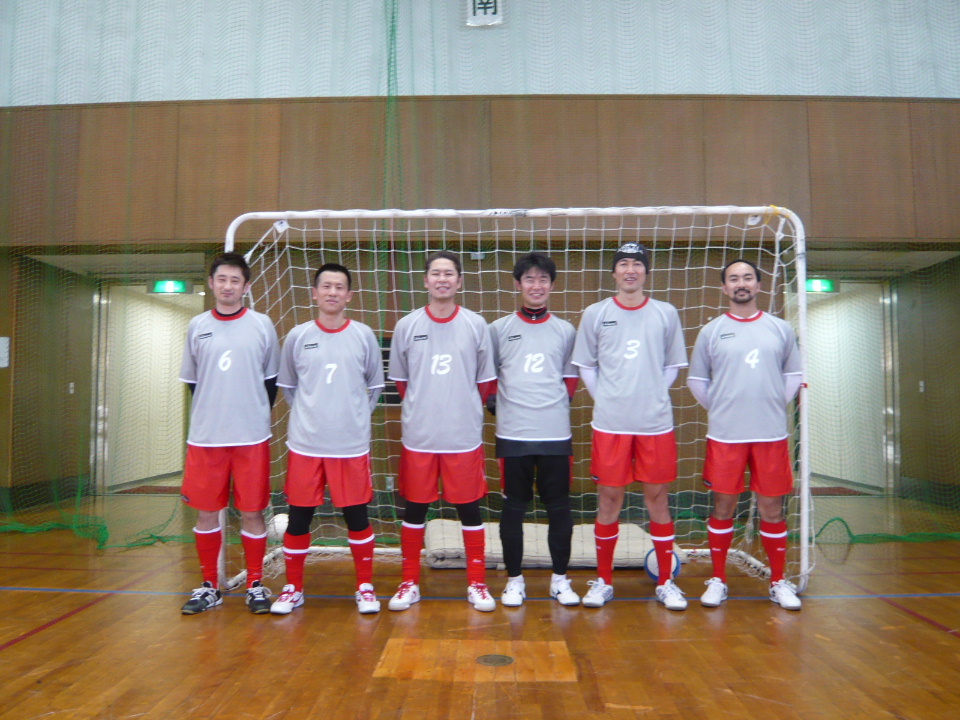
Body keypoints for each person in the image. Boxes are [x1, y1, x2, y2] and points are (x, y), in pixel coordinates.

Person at [571, 242, 689, 610]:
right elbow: (586, 365)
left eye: (637, 264)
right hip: (611, 425)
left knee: (658, 499)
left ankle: (666, 582)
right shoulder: (596, 313)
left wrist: (651, 393)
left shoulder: (666, 313)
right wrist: (608, 397)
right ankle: (603, 581)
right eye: (623, 264)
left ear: (646, 272)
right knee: (609, 500)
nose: (630, 270)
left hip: (655, 425)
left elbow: (673, 366)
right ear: (614, 273)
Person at [269, 263, 386, 615]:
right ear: (315, 293)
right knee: (299, 518)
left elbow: (375, 387)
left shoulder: (363, 335)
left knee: (357, 517)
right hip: (306, 446)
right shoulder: (298, 336)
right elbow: (289, 388)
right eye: (326, 286)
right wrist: (312, 417)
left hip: (350, 446)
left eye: (339, 287)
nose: (332, 292)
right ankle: (293, 588)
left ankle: (365, 586)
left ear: (349, 295)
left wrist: (352, 420)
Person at [687, 259, 803, 610]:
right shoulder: (711, 331)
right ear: (724, 288)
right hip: (726, 436)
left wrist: (770, 404)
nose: (741, 283)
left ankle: (778, 581)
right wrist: (725, 408)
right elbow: (697, 381)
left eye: (748, 278)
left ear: (758, 285)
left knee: (772, 508)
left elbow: (793, 376)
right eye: (734, 278)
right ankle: (718, 580)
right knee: (723, 506)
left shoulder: (780, 328)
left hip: (770, 435)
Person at [387, 250, 498, 612]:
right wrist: (426, 409)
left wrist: (459, 409)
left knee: (470, 510)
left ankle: (477, 583)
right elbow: (402, 383)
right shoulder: (407, 326)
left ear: (459, 281)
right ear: (426, 281)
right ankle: (409, 582)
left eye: (449, 273)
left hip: (462, 436)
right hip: (420, 437)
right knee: (415, 510)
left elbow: (485, 383)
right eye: (436, 273)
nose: (442, 279)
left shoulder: (476, 325)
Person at [178, 252, 280, 615]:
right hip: (206, 439)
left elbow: (271, 383)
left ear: (246, 287)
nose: (227, 286)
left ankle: (255, 584)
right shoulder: (197, 326)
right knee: (207, 513)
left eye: (235, 280)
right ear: (211, 283)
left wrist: (247, 413)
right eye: (221, 279)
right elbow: (193, 383)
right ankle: (210, 585)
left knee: (252, 512)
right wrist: (216, 411)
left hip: (251, 437)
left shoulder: (262, 325)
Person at [488, 253, 580, 607]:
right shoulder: (498, 329)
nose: (536, 285)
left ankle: (560, 580)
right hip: (513, 435)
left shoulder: (565, 330)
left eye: (543, 279)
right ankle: (514, 581)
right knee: (514, 507)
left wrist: (548, 408)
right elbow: (489, 378)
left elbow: (570, 380)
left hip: (555, 434)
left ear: (552, 285)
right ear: (518, 284)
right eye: (529, 279)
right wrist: (501, 406)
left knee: (559, 507)